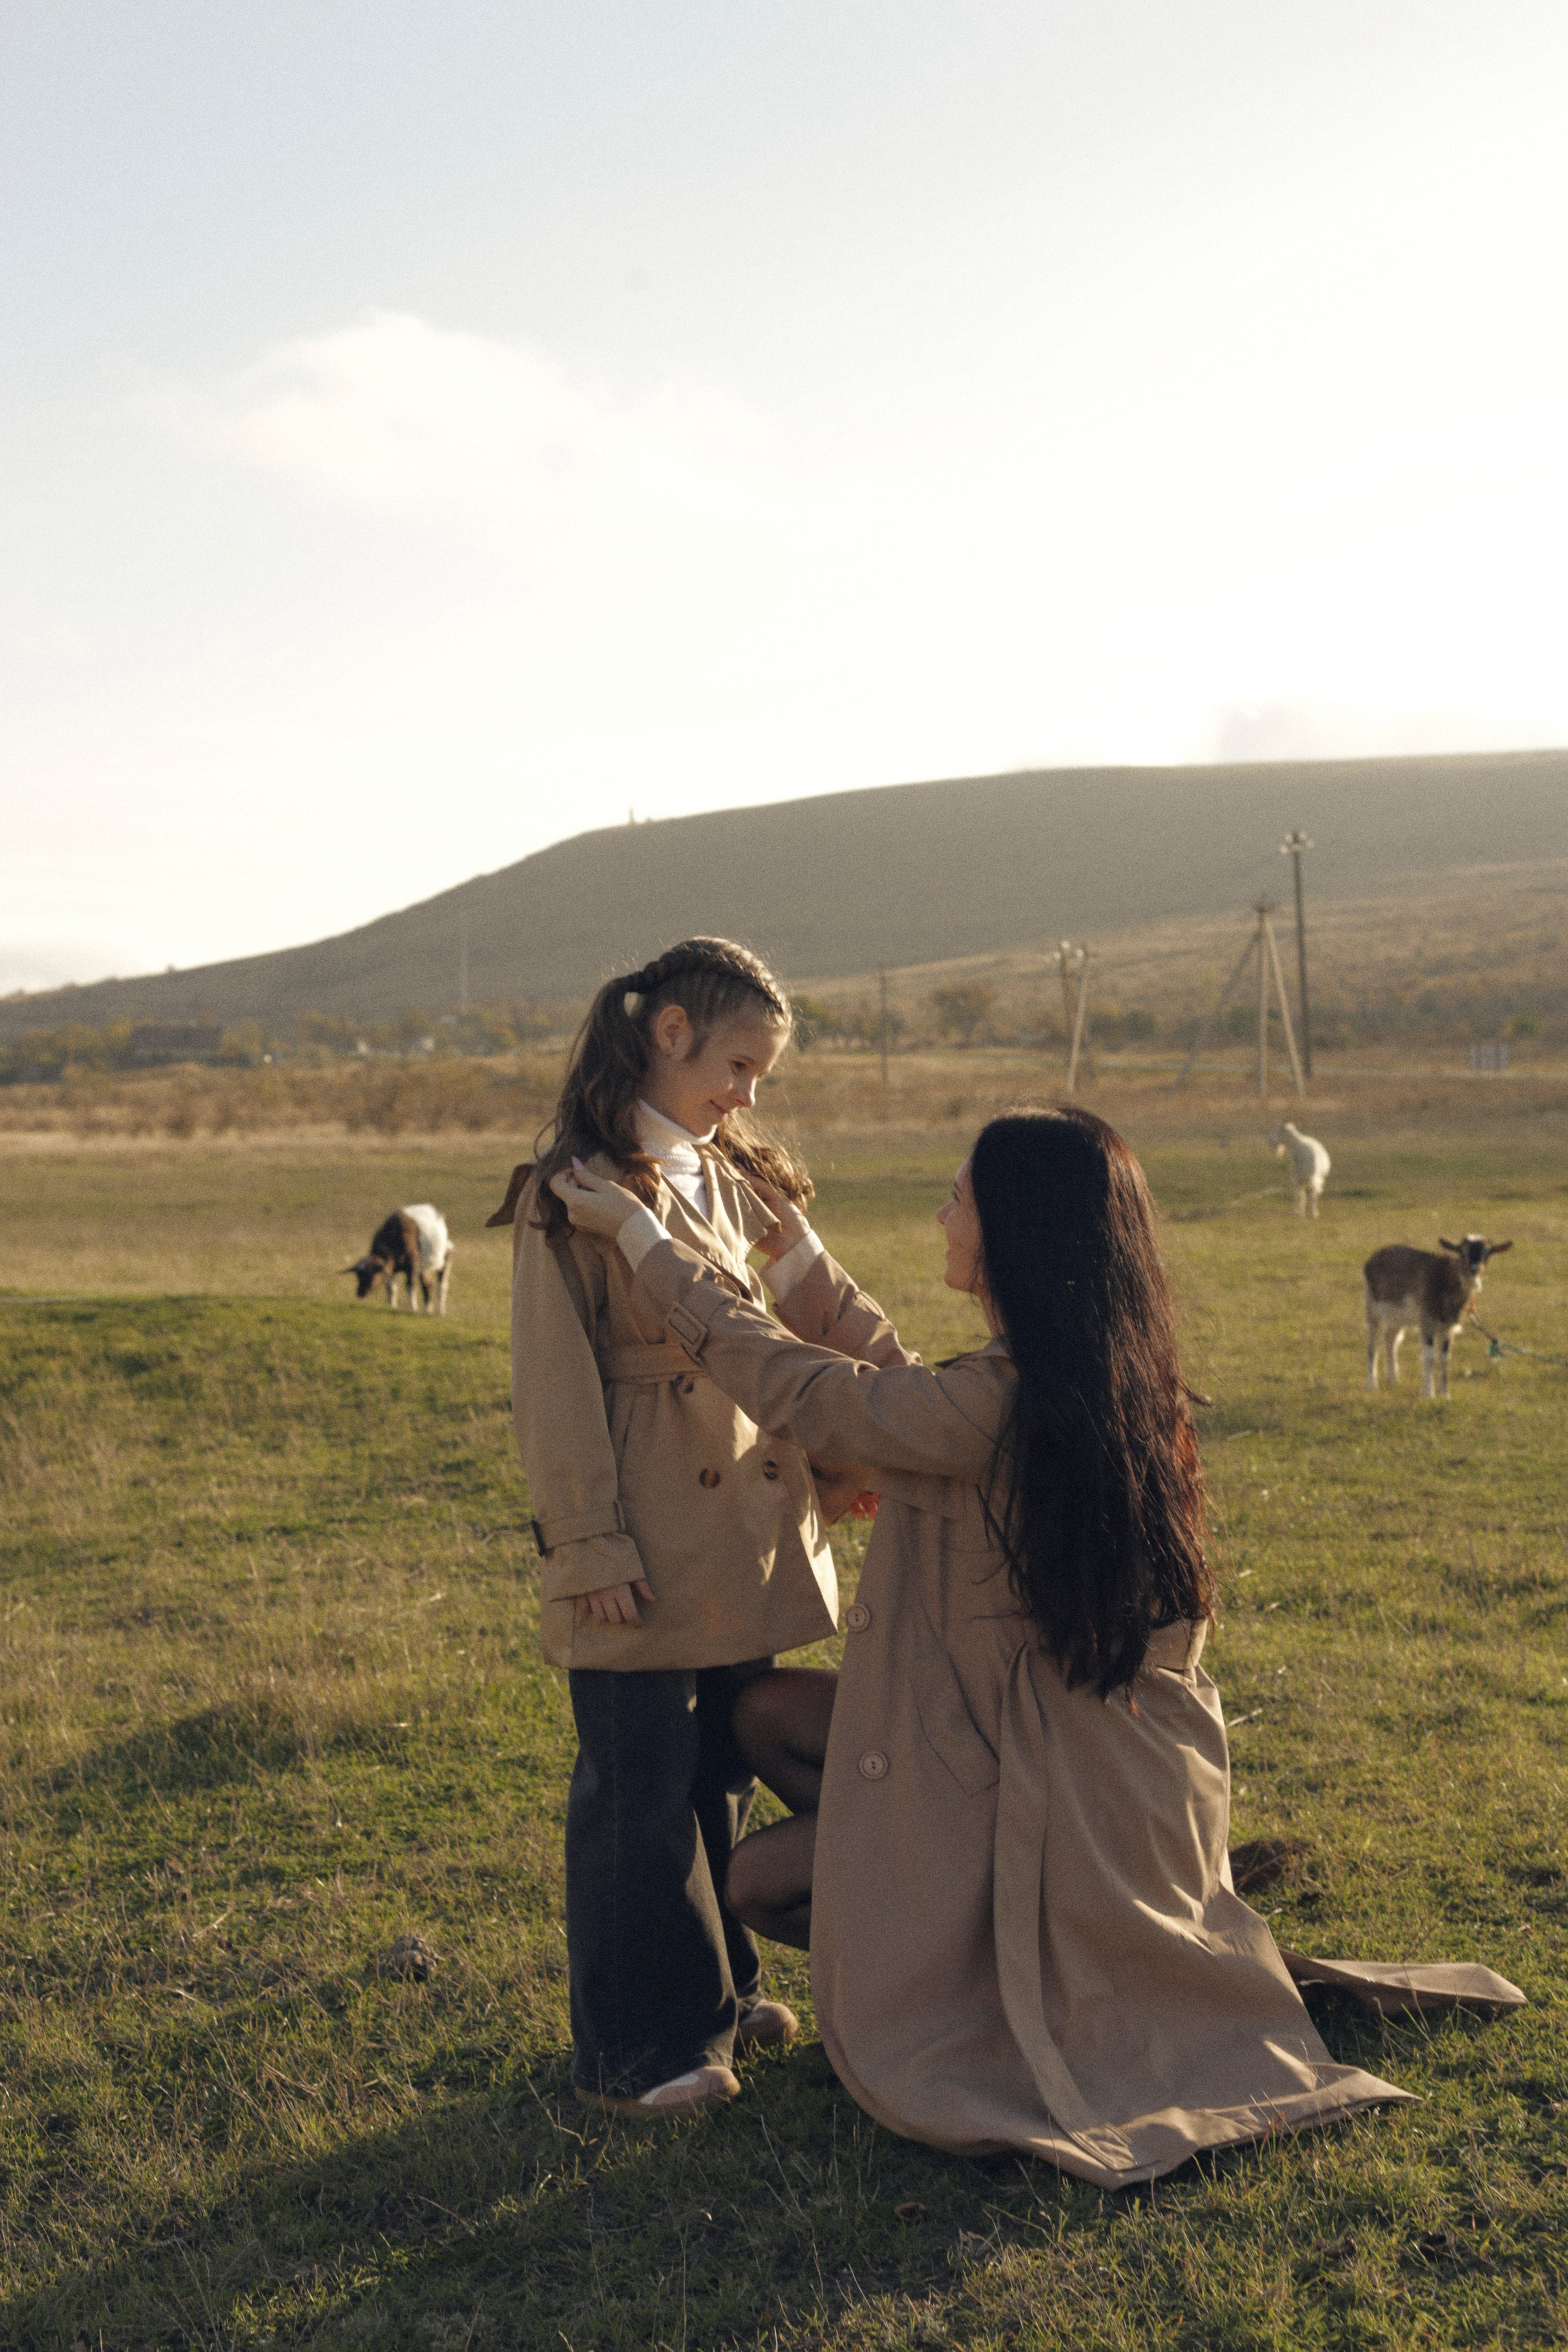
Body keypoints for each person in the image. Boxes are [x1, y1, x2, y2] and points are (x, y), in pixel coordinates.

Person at [549, 1104, 1522, 2185]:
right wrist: (797, 1252)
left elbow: (824, 1399)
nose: (940, 1212)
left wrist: (649, 1247)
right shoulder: (1071, 1373)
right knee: (763, 1714)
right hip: (1030, 1730)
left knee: (758, 1883)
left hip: (1043, 1771)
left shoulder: (1006, 1401)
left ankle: (980, 1979)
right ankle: (948, 1911)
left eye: (958, 1198)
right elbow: (897, 1385)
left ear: (1012, 1231)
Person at [495, 936, 889, 2120]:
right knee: (638, 1787)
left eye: (762, 1074)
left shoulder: (729, 1179)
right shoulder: (570, 1189)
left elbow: (775, 1351)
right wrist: (590, 1547)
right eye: (737, 1063)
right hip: (646, 1539)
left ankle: (718, 1999)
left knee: (718, 1769)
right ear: (667, 1032)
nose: (748, 1095)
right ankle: (637, 2051)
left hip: (748, 1529)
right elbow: (553, 1384)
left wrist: (831, 1469)